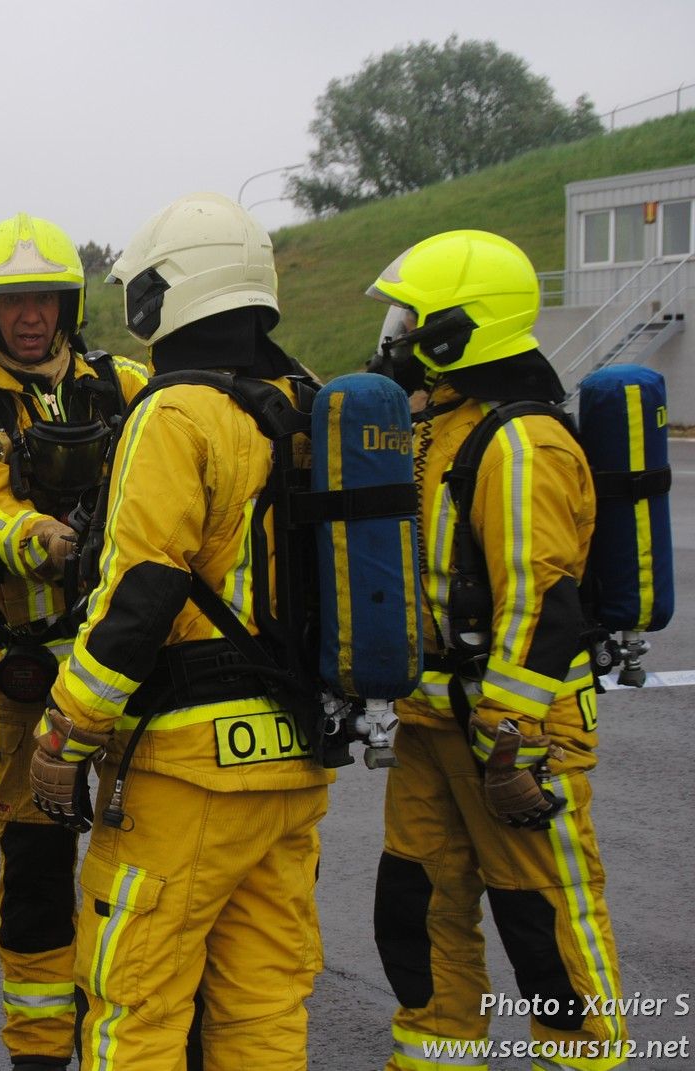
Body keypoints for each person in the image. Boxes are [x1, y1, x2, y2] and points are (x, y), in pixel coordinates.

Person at [28, 193, 331, 1069]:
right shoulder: (302, 399)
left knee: (135, 1005)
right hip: (295, 757)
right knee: (266, 1005)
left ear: (169, 293)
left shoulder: (176, 413)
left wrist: (65, 731)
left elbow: (141, 596)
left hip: (187, 770)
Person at [364, 230, 627, 1069]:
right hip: (430, 726)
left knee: (545, 925)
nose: (397, 334)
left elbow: (540, 603)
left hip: (508, 739)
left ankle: (584, 1056)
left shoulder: (521, 443)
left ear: (458, 329)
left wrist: (510, 736)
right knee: (418, 908)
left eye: (411, 318)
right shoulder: (437, 424)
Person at [0, 213, 148, 1070]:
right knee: (35, 866)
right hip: (34, 676)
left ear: (70, 303)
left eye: (45, 299)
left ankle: (133, 1027)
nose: (31, 316)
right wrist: (52, 541)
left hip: (137, 669)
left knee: (144, 862)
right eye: (12, 301)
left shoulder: (130, 380)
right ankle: (39, 1048)